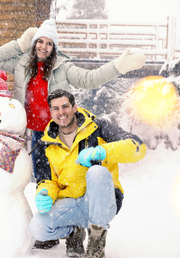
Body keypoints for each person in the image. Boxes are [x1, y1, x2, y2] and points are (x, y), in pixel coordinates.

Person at [0, 19, 146, 183]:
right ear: (34, 43)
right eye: (40, 41)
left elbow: (89, 79)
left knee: (63, 178)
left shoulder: (62, 67)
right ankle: (46, 207)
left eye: (49, 43)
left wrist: (118, 66)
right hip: (36, 134)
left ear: (54, 48)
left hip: (58, 133)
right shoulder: (22, 64)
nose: (43, 46)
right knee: (42, 179)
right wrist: (21, 43)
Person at [29, 89, 147, 258]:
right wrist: (45, 192)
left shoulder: (98, 127)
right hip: (72, 204)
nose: (61, 112)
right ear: (51, 112)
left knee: (97, 172)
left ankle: (96, 241)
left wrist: (102, 151)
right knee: (38, 228)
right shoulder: (46, 142)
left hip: (102, 203)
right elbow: (46, 180)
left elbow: (138, 147)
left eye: (65, 106)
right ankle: (74, 231)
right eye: (55, 108)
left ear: (75, 107)